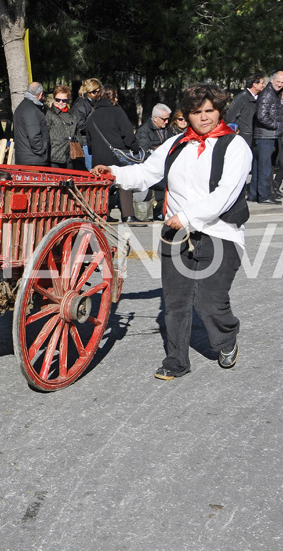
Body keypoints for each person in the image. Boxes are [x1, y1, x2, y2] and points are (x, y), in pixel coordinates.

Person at [91, 83, 251, 380]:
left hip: (220, 232)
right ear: (187, 115)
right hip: (175, 233)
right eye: (196, 112)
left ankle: (226, 337)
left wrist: (187, 215)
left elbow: (225, 195)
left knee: (208, 302)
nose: (204, 118)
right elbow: (145, 172)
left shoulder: (235, 146)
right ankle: (176, 360)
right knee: (175, 302)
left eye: (210, 111)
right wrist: (113, 173)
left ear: (219, 112)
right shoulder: (176, 144)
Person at [84, 85, 141, 222]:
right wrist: (135, 148)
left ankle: (104, 214)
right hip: (118, 154)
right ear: (112, 96)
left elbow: (89, 139)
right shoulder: (117, 112)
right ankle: (128, 215)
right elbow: (128, 134)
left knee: (104, 187)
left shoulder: (92, 115)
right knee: (123, 182)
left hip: (99, 156)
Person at [250, 70, 283, 204]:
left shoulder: (274, 93)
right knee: (265, 168)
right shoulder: (268, 94)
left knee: (259, 166)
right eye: (278, 81)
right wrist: (277, 126)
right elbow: (262, 116)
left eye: (282, 82)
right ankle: (264, 196)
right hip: (265, 136)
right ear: (272, 80)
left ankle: (254, 194)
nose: (280, 85)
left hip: (266, 135)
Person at [135, 103, 173, 220]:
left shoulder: (167, 129)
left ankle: (163, 212)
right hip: (152, 168)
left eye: (168, 119)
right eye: (164, 119)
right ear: (155, 118)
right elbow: (143, 152)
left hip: (166, 166)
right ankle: (157, 212)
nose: (166, 122)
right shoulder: (143, 131)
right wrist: (161, 150)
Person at [12, 82, 49, 166]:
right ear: (41, 94)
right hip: (33, 159)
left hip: (25, 157)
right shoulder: (32, 110)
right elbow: (34, 136)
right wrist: (42, 151)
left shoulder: (22, 106)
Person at [225, 74, 264, 148]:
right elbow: (230, 117)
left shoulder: (258, 98)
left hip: (252, 135)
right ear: (255, 85)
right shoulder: (242, 98)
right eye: (262, 83)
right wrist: (238, 132)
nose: (264, 85)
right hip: (243, 136)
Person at [71, 78, 101, 169]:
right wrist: (94, 128)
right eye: (94, 92)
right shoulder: (81, 103)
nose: (97, 94)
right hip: (84, 142)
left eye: (99, 91)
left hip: (91, 140)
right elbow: (79, 124)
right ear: (88, 91)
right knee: (90, 168)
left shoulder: (92, 103)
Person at [45, 85, 77, 170]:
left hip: (71, 156)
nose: (60, 102)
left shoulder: (72, 115)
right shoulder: (49, 113)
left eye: (64, 100)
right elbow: (45, 134)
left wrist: (78, 143)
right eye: (57, 99)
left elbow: (77, 133)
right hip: (54, 156)